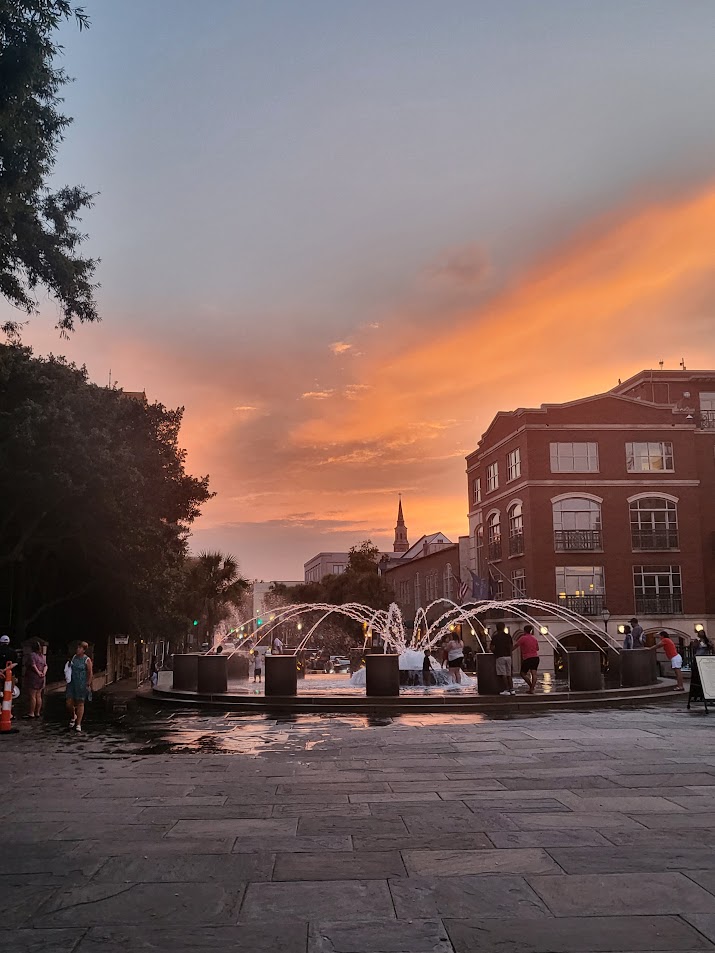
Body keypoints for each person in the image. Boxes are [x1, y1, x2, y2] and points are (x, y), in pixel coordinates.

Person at [66, 641, 93, 732]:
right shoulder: (74, 657)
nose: (77, 649)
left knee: (80, 703)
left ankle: (78, 724)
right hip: (72, 682)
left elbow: (90, 672)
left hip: (81, 683)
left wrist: (88, 684)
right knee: (69, 702)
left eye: (80, 648)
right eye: (77, 648)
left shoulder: (87, 660)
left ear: (84, 650)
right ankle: (73, 716)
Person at [513, 624, 540, 694]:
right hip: (535, 658)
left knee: (522, 673)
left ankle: (531, 686)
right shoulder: (534, 638)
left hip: (528, 658)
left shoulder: (523, 638)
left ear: (524, 631)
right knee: (534, 673)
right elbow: (537, 648)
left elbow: (516, 645)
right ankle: (532, 688)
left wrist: (509, 651)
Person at [24, 640, 47, 718]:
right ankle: (37, 712)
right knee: (39, 695)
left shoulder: (32, 655)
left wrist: (37, 672)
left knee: (32, 696)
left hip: (33, 677)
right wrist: (43, 673)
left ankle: (31, 712)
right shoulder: (42, 656)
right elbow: (45, 666)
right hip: (41, 678)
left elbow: (33, 665)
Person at [491, 622, 514, 695]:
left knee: (503, 674)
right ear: (504, 627)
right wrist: (510, 654)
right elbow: (511, 646)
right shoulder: (508, 636)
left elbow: (491, 647)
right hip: (508, 657)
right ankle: (512, 689)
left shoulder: (495, 637)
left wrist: (495, 651)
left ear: (496, 628)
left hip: (500, 656)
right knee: (509, 674)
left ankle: (506, 689)